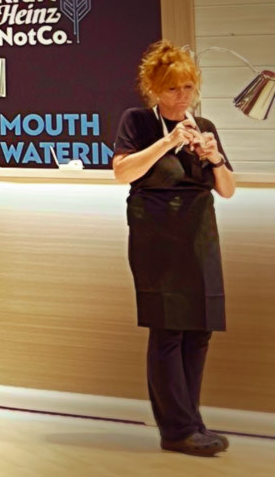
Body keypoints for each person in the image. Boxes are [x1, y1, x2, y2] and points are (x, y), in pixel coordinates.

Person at [110, 40, 235, 457]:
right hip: (156, 237)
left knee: (199, 329)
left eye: (186, 88)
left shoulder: (205, 126)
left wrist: (215, 158)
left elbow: (228, 190)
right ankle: (176, 429)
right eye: (171, 89)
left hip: (200, 235)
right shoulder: (138, 123)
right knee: (168, 330)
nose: (181, 97)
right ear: (154, 90)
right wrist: (167, 143)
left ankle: (191, 420)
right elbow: (122, 172)